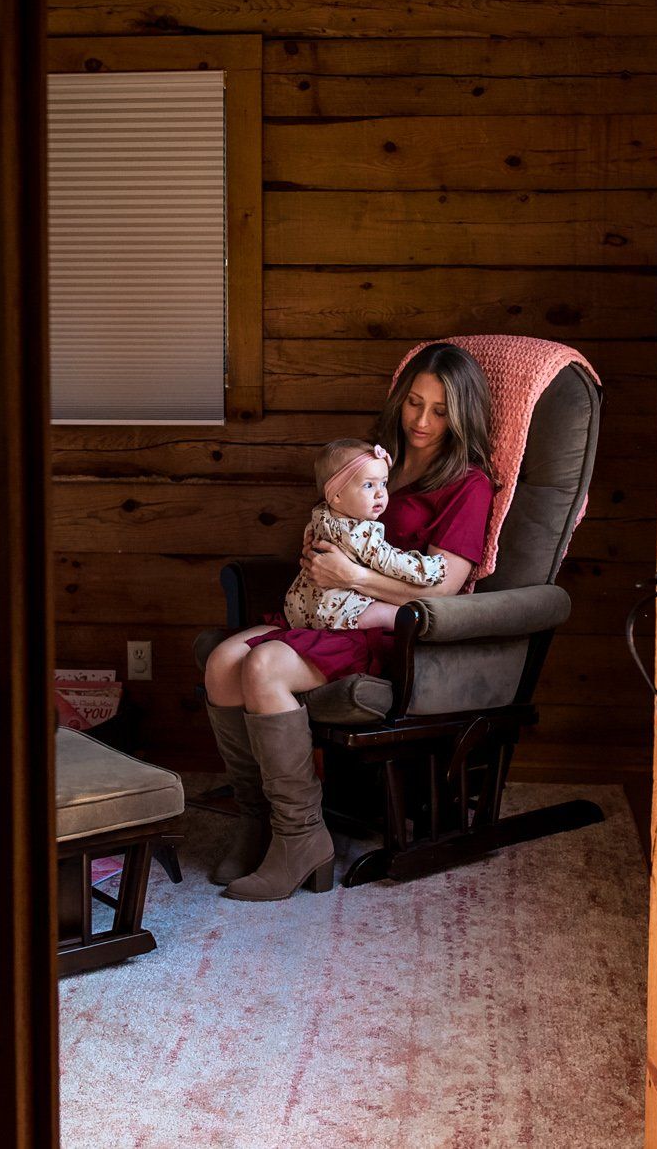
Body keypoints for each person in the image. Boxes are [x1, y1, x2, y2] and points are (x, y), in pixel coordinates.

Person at [201, 343, 496, 901]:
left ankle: (300, 839)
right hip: (327, 608)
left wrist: (352, 579)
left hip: (388, 629)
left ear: (462, 416)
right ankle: (256, 819)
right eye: (414, 403)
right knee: (222, 663)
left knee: (263, 665)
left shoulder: (468, 484)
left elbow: (444, 587)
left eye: (440, 410)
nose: (422, 421)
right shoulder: (371, 460)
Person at [280, 439, 449, 633]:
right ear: (336, 495)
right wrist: (429, 569)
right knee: (389, 613)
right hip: (341, 611)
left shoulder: (320, 515)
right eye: (368, 485)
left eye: (384, 483)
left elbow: (309, 536)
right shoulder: (359, 533)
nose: (380, 494)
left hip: (304, 606)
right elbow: (390, 561)